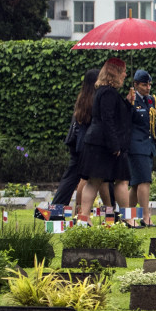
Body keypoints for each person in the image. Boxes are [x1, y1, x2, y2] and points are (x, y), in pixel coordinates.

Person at [77, 58, 132, 226]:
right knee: (121, 181)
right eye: (122, 71)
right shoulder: (108, 92)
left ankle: (83, 219)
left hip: (96, 143)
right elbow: (108, 120)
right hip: (105, 145)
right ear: (114, 72)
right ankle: (128, 218)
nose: (125, 74)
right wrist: (114, 145)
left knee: (93, 182)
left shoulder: (102, 91)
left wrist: (128, 103)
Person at [53, 68, 110, 210]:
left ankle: (57, 210)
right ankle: (108, 212)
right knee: (94, 179)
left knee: (71, 179)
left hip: (76, 144)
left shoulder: (83, 98)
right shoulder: (96, 99)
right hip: (89, 145)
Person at [126, 69, 156, 227]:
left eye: (149, 84)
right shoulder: (131, 101)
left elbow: (154, 123)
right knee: (144, 181)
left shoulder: (150, 100)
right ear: (136, 85)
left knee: (135, 184)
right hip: (135, 145)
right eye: (144, 84)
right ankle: (145, 217)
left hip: (148, 145)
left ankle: (128, 215)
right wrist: (129, 103)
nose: (148, 87)